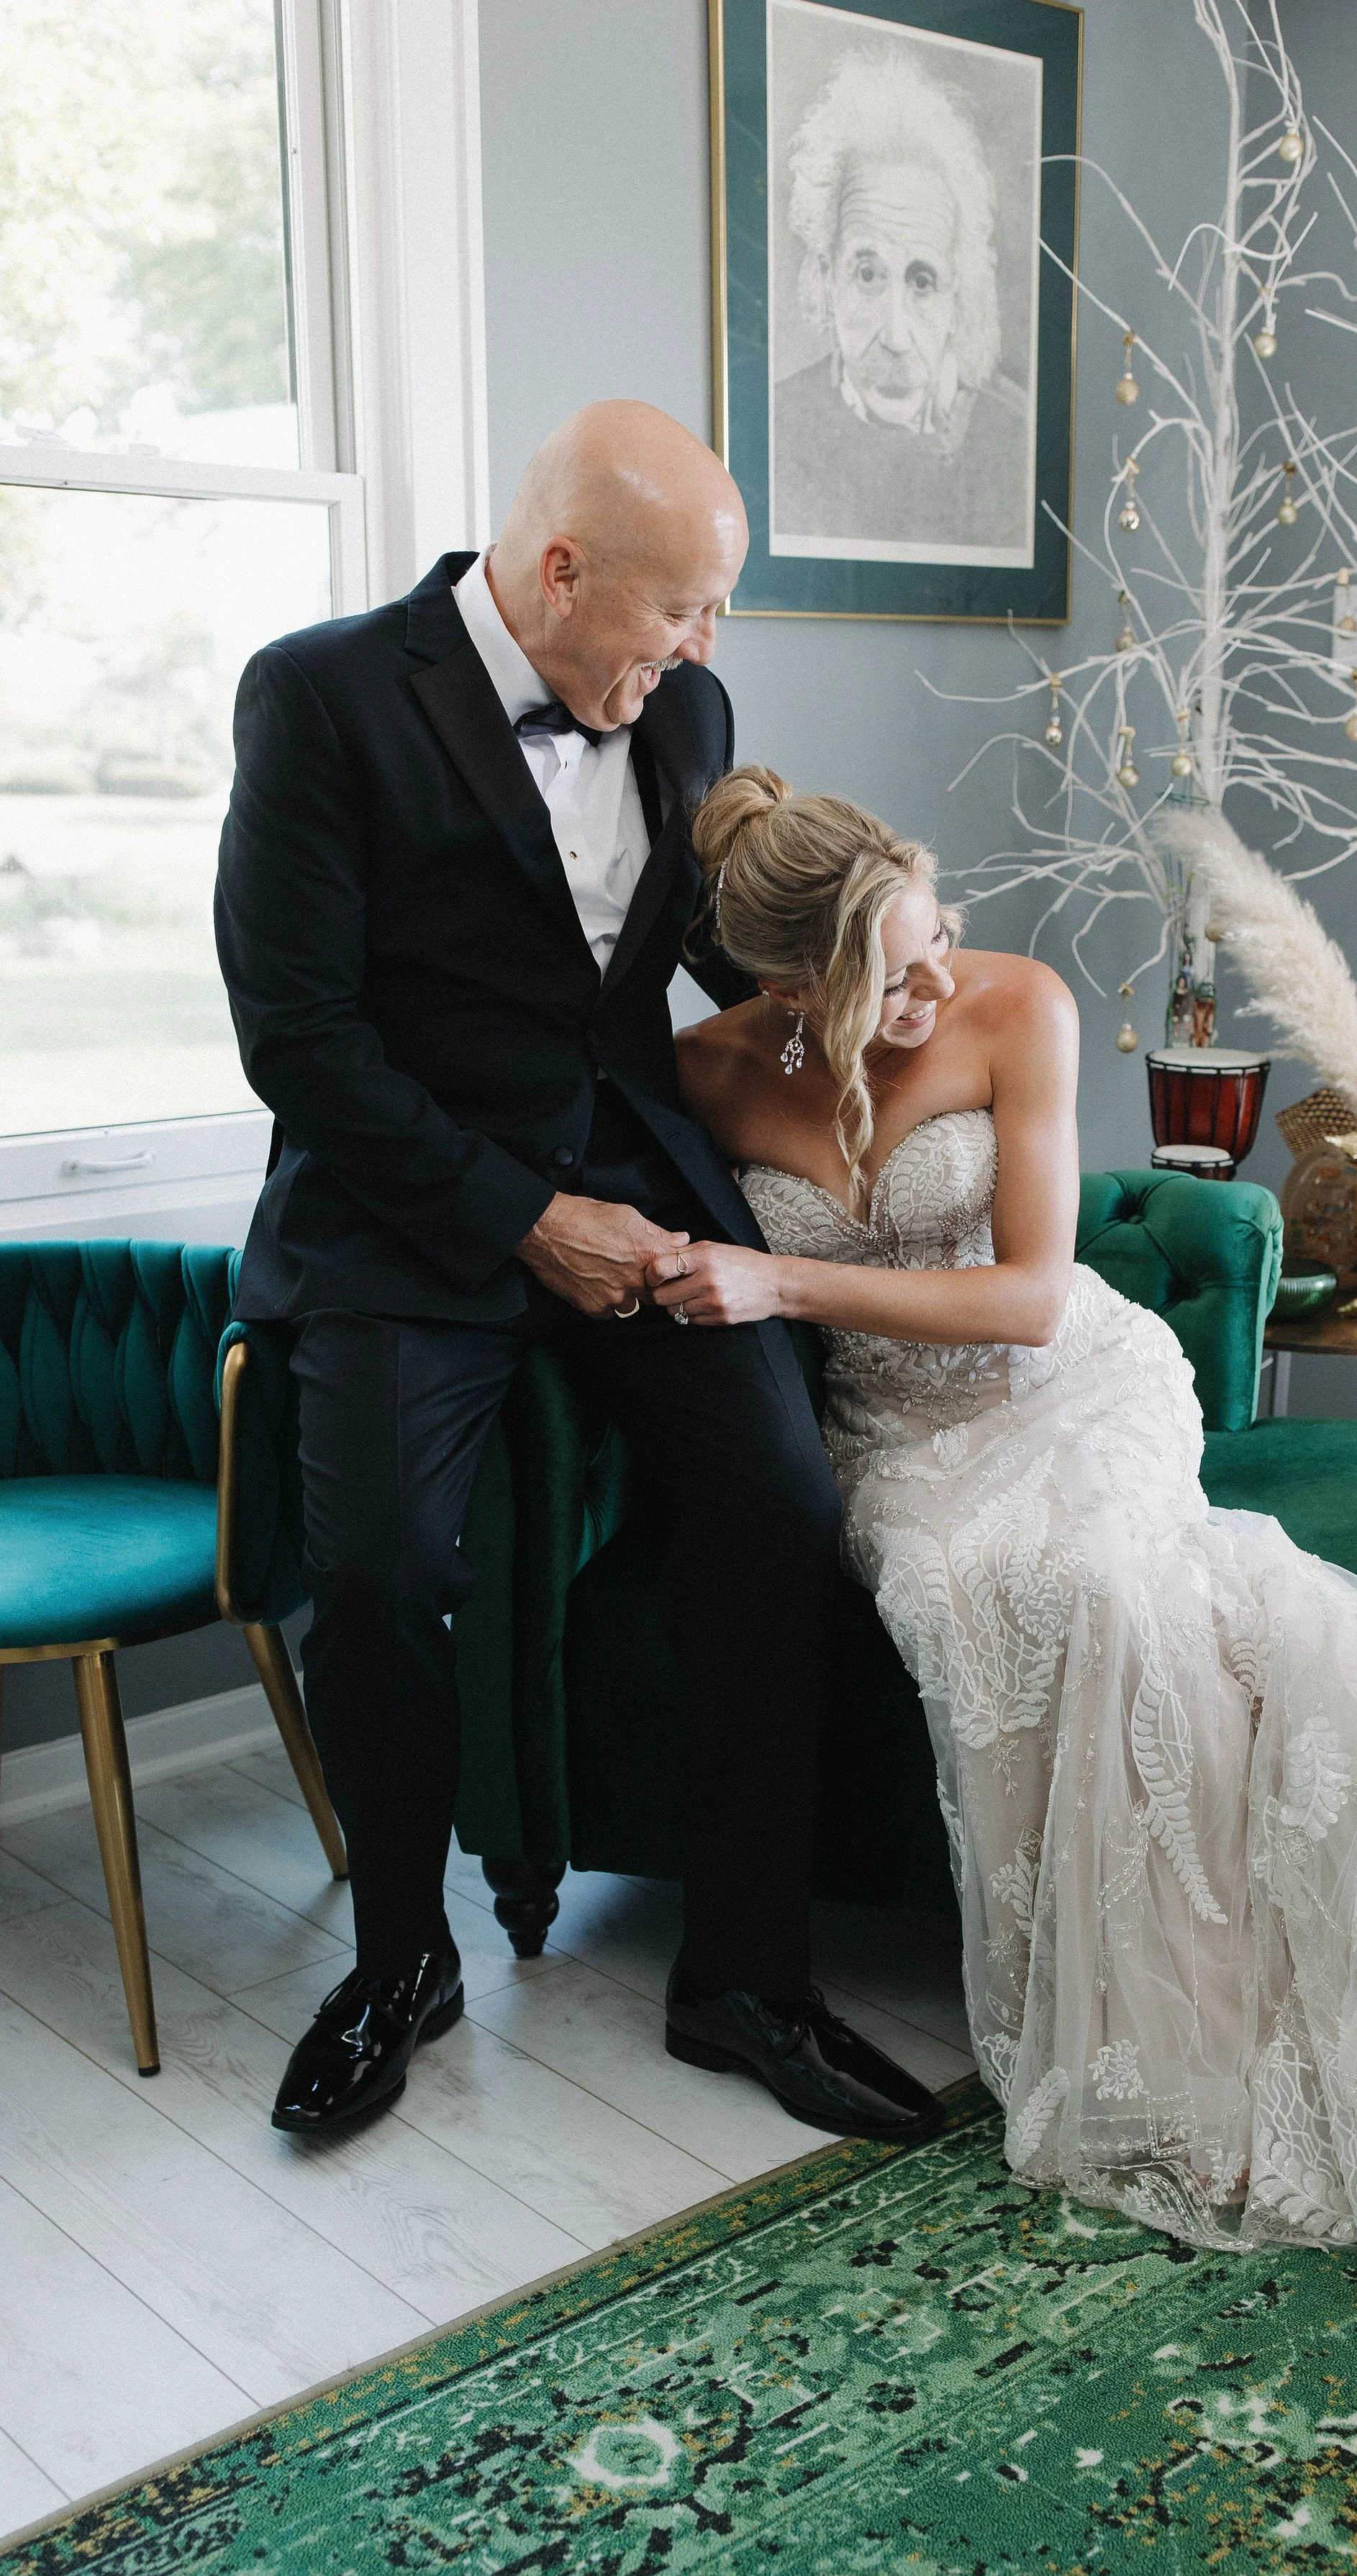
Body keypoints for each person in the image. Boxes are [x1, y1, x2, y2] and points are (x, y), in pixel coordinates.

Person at [657, 763, 1357, 2363]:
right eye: (901, 970)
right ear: (795, 989)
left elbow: (1028, 1300)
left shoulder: (1017, 1007)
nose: (940, 980)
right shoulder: (705, 1076)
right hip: (897, 1447)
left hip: (1069, 1386)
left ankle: (1216, 2037)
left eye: (940, 940)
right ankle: (1141, 2041)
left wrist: (776, 1282)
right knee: (965, 1596)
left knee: (1108, 1589)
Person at [214, 405, 940, 2146]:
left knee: (776, 1495)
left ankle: (743, 1973)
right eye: (683, 609)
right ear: (558, 571)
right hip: (404, 1206)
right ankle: (402, 1960)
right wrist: (519, 1220)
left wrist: (872, 982)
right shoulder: (318, 698)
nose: (706, 650)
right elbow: (294, 1034)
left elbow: (693, 952)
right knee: (381, 1566)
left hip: (638, 1172)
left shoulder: (683, 712)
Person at [773, 44, 1031, 555]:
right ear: (827, 280)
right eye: (867, 274)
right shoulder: (776, 428)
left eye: (922, 281)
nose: (895, 335)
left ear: (957, 293)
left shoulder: (1013, 440)